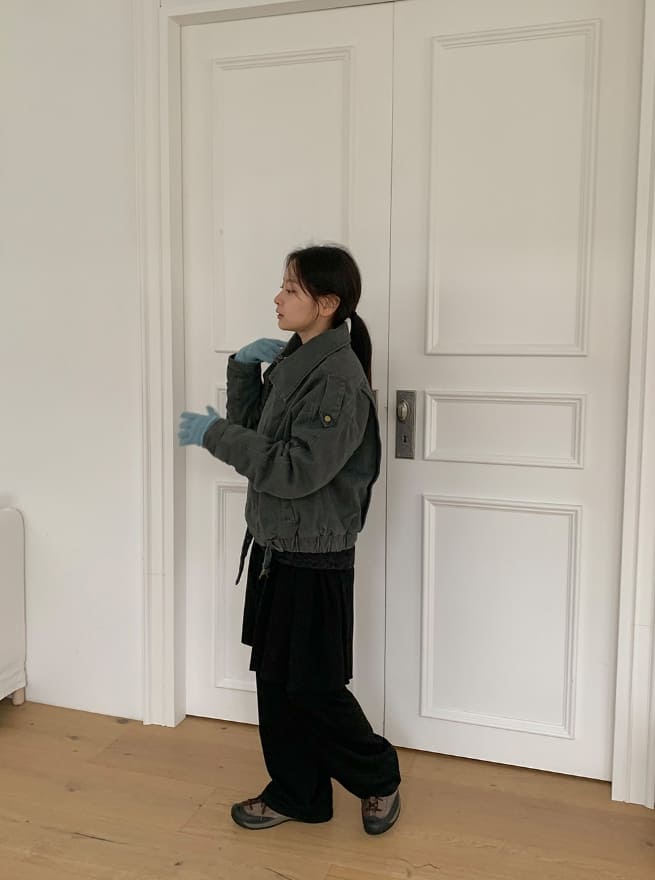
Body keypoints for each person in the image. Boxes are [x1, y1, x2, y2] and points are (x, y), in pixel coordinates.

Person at [178, 243, 401, 835]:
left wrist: (212, 433)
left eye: (292, 289)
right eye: (282, 285)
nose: (277, 297)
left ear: (327, 304)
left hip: (314, 559)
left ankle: (378, 776)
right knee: (276, 685)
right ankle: (300, 794)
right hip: (276, 548)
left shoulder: (338, 382)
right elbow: (257, 432)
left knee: (314, 689)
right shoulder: (296, 360)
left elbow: (293, 470)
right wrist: (242, 370)